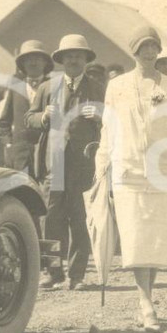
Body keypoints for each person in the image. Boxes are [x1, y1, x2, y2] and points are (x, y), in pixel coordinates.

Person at [96, 27, 167, 331]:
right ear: (133, 52)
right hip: (128, 170)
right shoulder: (117, 86)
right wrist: (101, 168)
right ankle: (145, 302)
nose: (149, 53)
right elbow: (107, 130)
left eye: (153, 47)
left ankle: (146, 300)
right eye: (143, 48)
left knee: (155, 240)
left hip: (163, 172)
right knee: (136, 237)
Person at [27, 34, 106, 290]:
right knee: (50, 218)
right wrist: (42, 116)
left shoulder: (96, 87)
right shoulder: (47, 88)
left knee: (80, 218)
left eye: (78, 55)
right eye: (69, 55)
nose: (73, 59)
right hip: (53, 163)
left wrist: (99, 116)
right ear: (61, 60)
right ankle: (53, 272)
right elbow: (28, 120)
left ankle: (78, 275)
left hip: (84, 162)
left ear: (85, 59)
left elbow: (114, 120)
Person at [0, 40, 52, 176]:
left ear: (45, 63)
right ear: (22, 64)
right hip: (20, 152)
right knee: (24, 190)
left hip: (47, 150)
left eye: (37, 59)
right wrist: (9, 145)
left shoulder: (53, 86)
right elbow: (4, 121)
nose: (33, 63)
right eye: (28, 60)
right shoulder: (15, 87)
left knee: (47, 189)